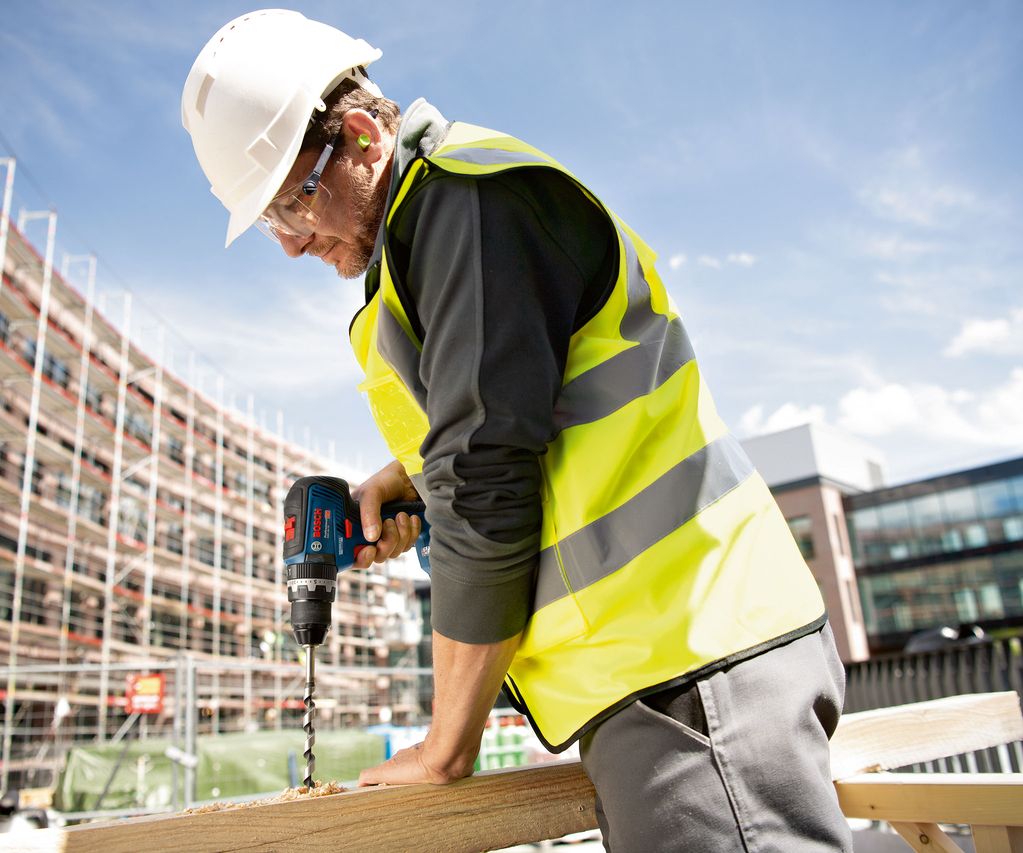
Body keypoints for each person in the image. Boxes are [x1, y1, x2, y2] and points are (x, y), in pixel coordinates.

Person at [183, 10, 853, 851]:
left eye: (294, 201)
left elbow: (487, 481)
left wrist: (444, 749)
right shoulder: (431, 232)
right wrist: (408, 476)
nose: (289, 244)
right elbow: (524, 426)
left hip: (689, 662)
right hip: (675, 665)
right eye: (273, 221)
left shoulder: (467, 203)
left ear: (358, 136)